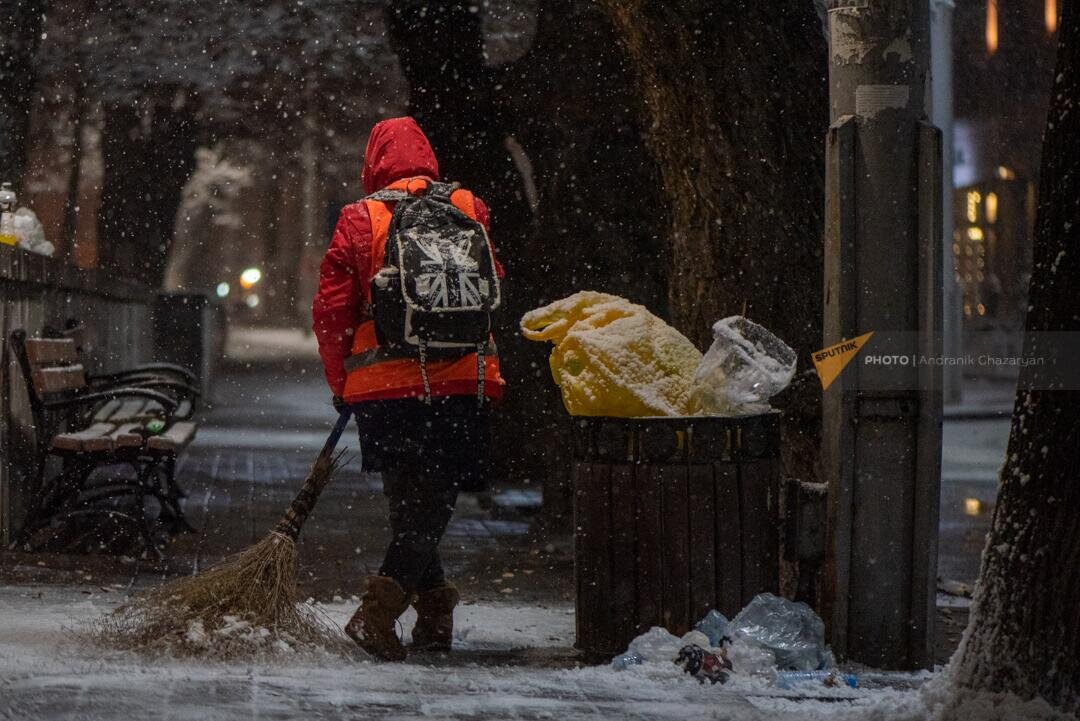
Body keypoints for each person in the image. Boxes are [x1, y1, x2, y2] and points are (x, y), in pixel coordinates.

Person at [312, 116, 505, 661]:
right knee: (433, 499)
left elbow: (331, 312)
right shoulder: (470, 207)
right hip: (462, 379)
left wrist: (341, 382)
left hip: (385, 383)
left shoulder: (360, 217)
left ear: (373, 163)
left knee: (411, 499)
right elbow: (495, 285)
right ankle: (435, 612)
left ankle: (379, 613)